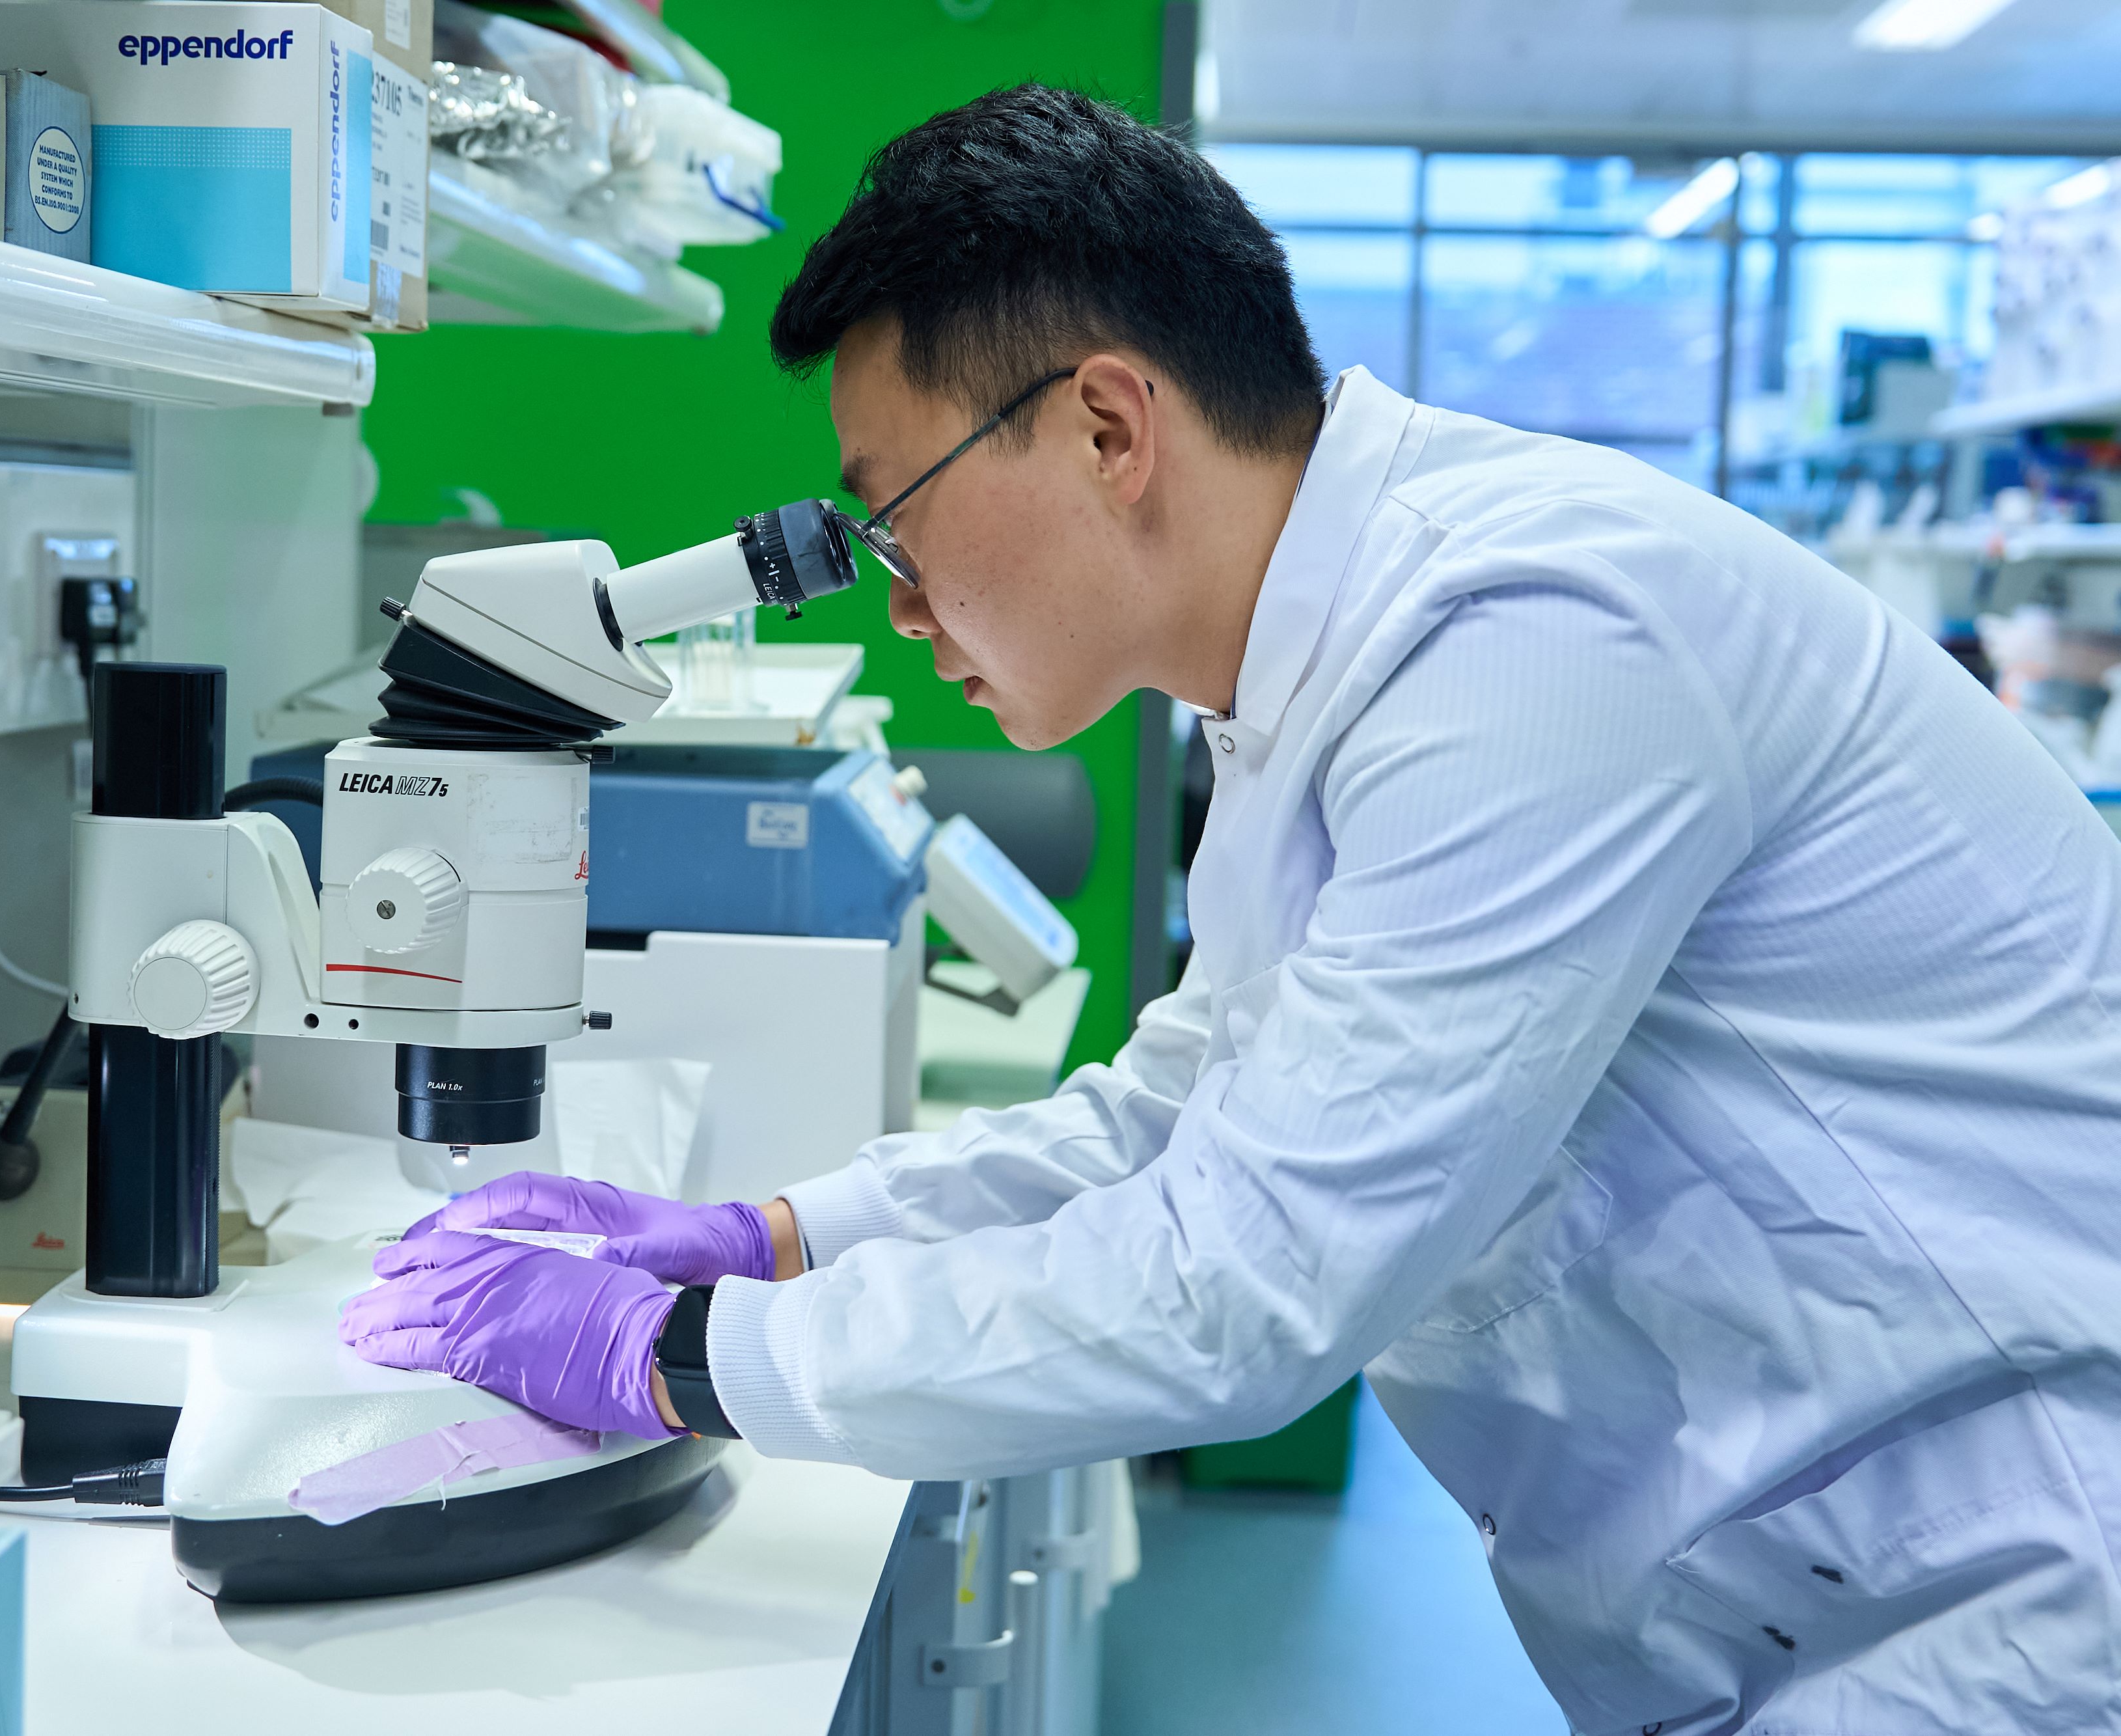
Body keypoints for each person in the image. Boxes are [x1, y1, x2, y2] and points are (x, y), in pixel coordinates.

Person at [340, 85, 2121, 1732]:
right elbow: (1188, 1105)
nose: (893, 605)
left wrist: (671, 1355)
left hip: (2008, 1600)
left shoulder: (1535, 638)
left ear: (1111, 423)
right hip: (1792, 1602)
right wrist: (780, 1234)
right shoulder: (1298, 682)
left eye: (894, 526)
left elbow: (1247, 1282)